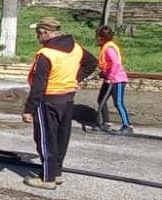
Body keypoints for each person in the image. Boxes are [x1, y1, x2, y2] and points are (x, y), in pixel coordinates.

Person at [21, 17, 99, 189]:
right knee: (60, 137)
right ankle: (56, 172)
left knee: (46, 139)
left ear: (45, 33)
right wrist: (76, 78)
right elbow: (92, 62)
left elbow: (38, 85)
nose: (37, 37)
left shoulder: (46, 54)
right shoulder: (75, 48)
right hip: (67, 98)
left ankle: (47, 179)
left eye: (38, 33)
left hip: (48, 100)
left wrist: (29, 109)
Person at [94, 25, 132, 134]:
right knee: (101, 100)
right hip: (109, 79)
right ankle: (106, 123)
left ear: (102, 37)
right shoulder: (105, 46)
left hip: (117, 80)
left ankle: (127, 126)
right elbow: (108, 64)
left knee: (118, 103)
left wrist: (110, 77)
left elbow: (116, 63)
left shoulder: (109, 48)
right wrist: (103, 74)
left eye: (98, 36)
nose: (96, 38)